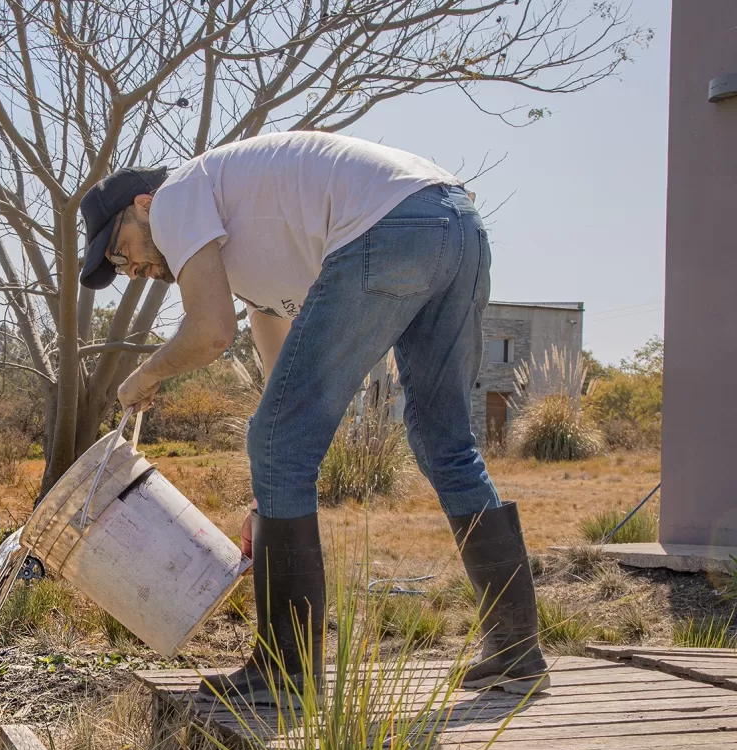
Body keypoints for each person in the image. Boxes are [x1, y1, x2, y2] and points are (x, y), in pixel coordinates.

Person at [77, 131, 549, 706]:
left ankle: (286, 673)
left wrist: (145, 376)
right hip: (457, 225)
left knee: (286, 440)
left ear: (143, 206)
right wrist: (265, 500)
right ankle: (517, 654)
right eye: (117, 267)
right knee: (443, 441)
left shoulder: (175, 196)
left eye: (121, 251)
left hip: (394, 225)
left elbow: (208, 333)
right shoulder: (254, 254)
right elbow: (283, 403)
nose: (131, 269)